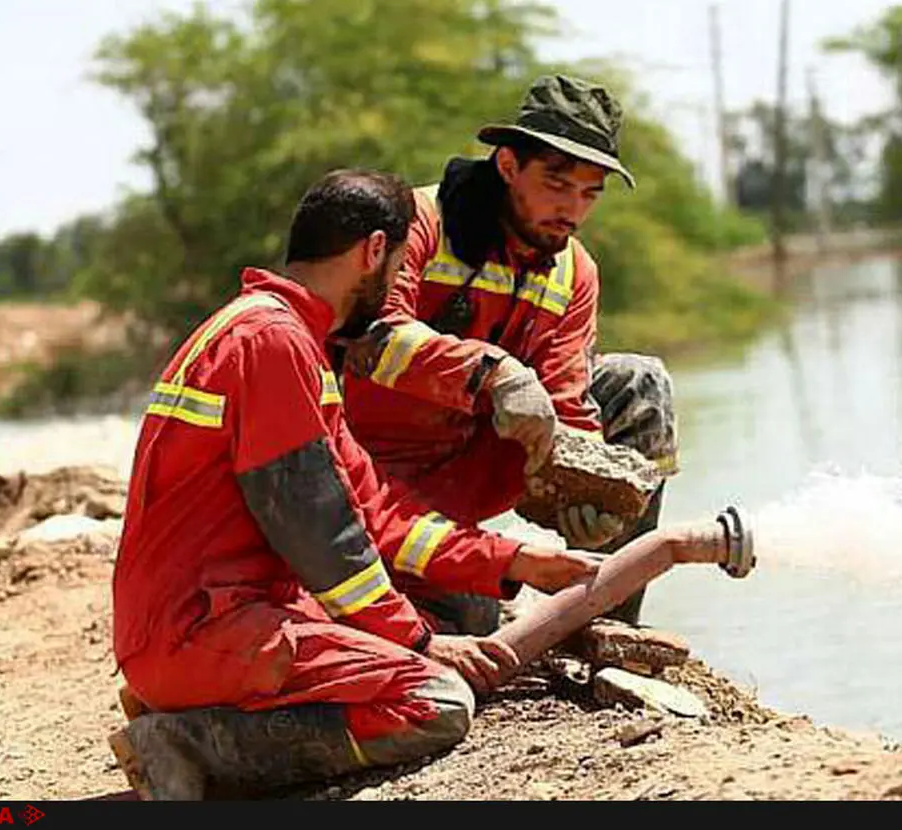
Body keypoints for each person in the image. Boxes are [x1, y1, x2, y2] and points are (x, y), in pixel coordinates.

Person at [108, 169, 600, 800]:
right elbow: (322, 533)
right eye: (398, 269)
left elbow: (376, 510)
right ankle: (185, 744)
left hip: (210, 622)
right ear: (373, 252)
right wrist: (420, 642)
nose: (398, 286)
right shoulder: (271, 343)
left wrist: (515, 560)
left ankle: (184, 706)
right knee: (434, 698)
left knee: (427, 634)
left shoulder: (286, 339)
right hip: (202, 628)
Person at [337, 75, 680, 632]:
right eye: (557, 183)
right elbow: (370, 337)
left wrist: (582, 489)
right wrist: (492, 374)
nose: (572, 209)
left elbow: (568, 405)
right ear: (506, 165)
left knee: (639, 384)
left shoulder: (575, 270)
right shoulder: (417, 219)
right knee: (468, 619)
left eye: (591, 193)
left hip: (473, 464)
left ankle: (608, 624)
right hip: (368, 472)